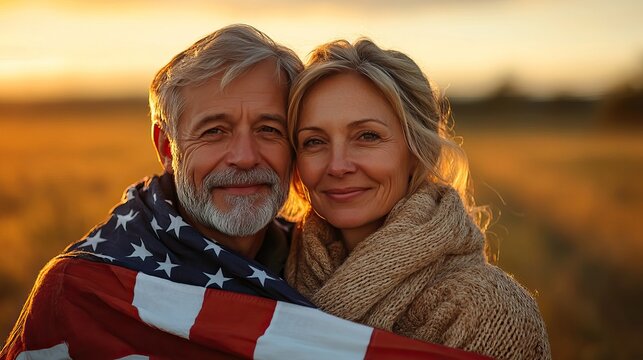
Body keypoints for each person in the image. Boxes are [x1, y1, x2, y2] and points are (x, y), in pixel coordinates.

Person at [1, 25, 492, 360]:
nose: (243, 156)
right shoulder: (84, 292)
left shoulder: (306, 268)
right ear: (166, 146)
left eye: (269, 129)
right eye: (214, 131)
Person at [284, 39, 552, 359]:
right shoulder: (271, 272)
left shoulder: (489, 313)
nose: (338, 165)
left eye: (367, 136)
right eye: (314, 141)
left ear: (416, 151)